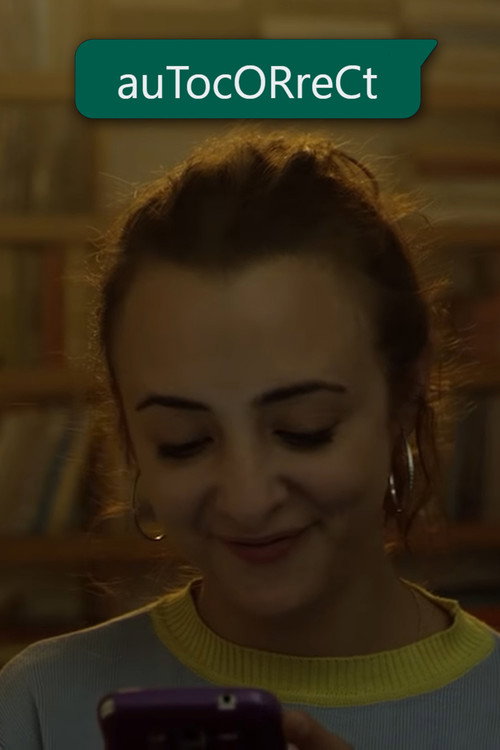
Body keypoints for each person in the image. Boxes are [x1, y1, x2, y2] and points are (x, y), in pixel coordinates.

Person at [1, 125, 499, 749]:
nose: (247, 500)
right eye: (183, 441)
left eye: (304, 431)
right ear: (128, 435)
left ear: (405, 395)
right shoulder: (40, 705)